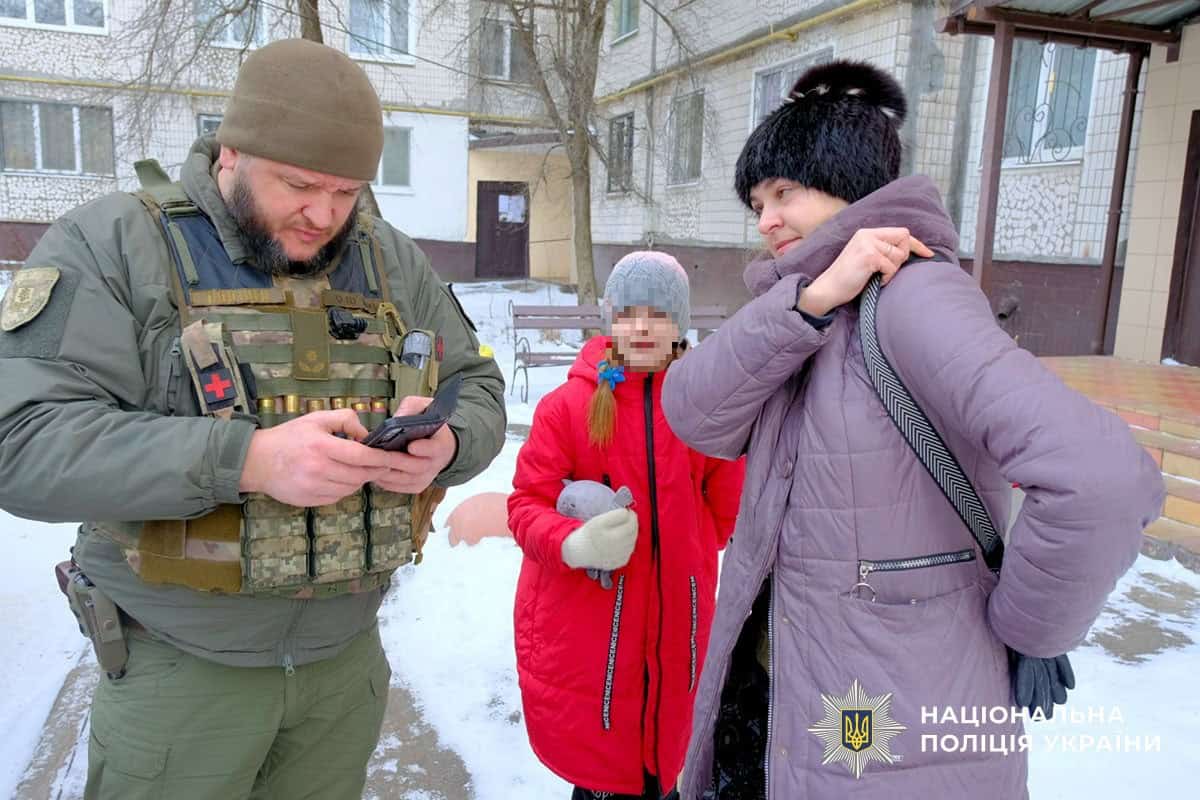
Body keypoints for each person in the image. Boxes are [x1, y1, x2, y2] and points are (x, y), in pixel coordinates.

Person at [0, 39, 505, 800]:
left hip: (343, 672)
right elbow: (23, 442)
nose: (324, 214)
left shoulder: (390, 260)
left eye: (347, 192)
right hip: (179, 674)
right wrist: (246, 460)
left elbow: (478, 384)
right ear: (231, 152)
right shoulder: (113, 244)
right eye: (299, 184)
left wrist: (449, 441)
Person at [661, 61, 1165, 800]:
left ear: (846, 181)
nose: (764, 220)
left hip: (886, 717)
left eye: (783, 192)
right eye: (757, 203)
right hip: (784, 690)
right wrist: (811, 301)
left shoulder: (913, 297)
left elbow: (1102, 479)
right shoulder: (811, 305)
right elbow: (692, 410)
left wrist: (1029, 628)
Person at [508, 252, 745, 800]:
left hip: (678, 622)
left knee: (669, 760)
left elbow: (724, 508)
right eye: (628, 313)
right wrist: (573, 542)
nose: (641, 327)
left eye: (658, 314)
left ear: (679, 323)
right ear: (609, 318)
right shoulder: (567, 408)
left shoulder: (701, 408)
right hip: (592, 635)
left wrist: (687, 550)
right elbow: (525, 506)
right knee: (603, 769)